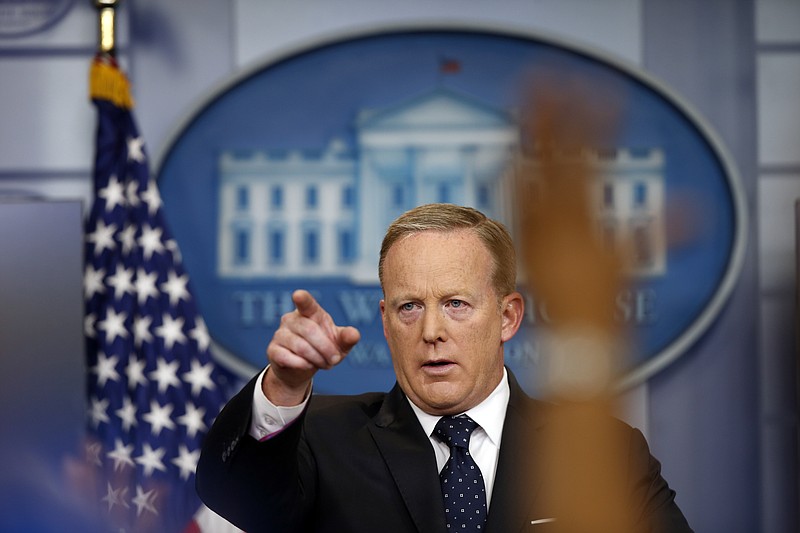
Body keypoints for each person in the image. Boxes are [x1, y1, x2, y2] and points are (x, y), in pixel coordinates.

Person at [196, 203, 693, 533]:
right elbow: (239, 497)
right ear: (385, 323)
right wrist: (284, 385)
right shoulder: (321, 442)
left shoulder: (602, 453)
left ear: (507, 317)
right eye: (409, 307)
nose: (431, 329)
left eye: (455, 303)